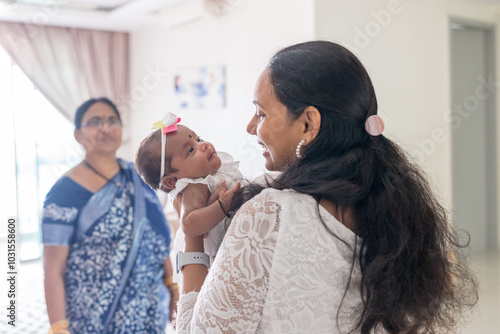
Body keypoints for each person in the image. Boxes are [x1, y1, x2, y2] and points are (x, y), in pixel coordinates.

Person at [174, 41, 478, 333]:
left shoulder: (268, 216)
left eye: (262, 113)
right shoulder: (394, 203)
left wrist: (192, 240)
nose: (251, 127)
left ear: (308, 123)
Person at [41, 97, 178, 334]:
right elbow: (53, 269)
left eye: (112, 120)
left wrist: (171, 285)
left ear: (121, 130)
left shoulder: (136, 179)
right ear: (78, 135)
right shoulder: (63, 193)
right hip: (92, 317)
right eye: (95, 122)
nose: (105, 127)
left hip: (147, 310)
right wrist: (58, 326)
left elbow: (156, 236)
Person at [134, 113, 243, 283]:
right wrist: (222, 205)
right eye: (191, 150)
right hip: (217, 258)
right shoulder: (194, 186)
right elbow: (189, 225)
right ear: (172, 181)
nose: (204, 145)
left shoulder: (207, 176)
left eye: (198, 139)